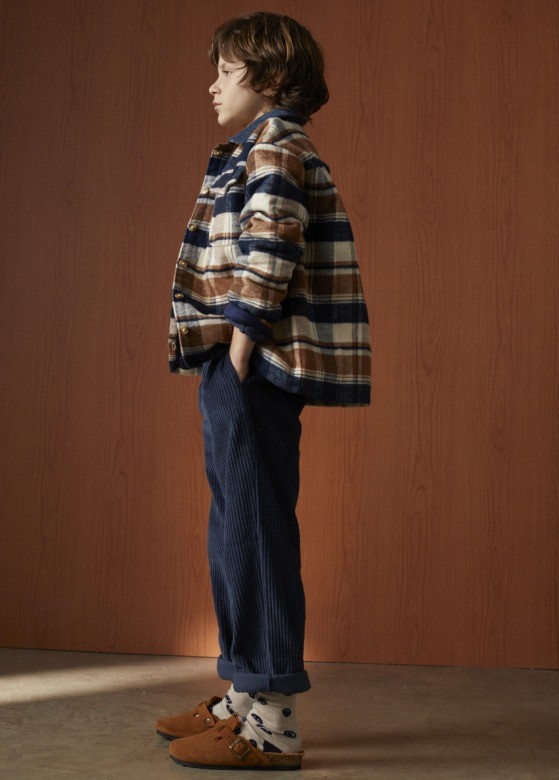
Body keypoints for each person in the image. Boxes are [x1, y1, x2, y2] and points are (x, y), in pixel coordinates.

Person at [156, 10, 372, 771]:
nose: (212, 85)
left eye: (226, 70)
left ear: (272, 77)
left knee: (252, 532)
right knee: (234, 531)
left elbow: (272, 238)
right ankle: (244, 693)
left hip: (252, 360)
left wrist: (242, 345)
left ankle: (272, 723)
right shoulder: (253, 145)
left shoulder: (275, 142)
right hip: (234, 361)